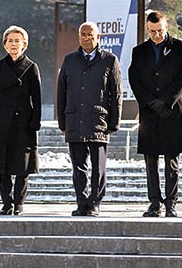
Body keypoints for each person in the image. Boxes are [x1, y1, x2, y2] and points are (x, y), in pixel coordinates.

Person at [56, 21, 121, 217]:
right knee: (79, 167)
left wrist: (114, 122)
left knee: (98, 167)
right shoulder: (69, 61)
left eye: (90, 35)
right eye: (83, 34)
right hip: (75, 120)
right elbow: (61, 93)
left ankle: (95, 203)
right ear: (79, 37)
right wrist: (62, 122)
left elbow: (116, 93)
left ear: (98, 37)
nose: (86, 38)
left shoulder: (109, 60)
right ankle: (82, 202)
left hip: (98, 121)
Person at [129, 11, 182, 218]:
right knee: (151, 161)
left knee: (172, 162)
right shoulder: (139, 52)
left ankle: (171, 203)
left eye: (160, 31)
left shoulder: (181, 48)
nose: (156, 35)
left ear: (166, 27)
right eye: (152, 31)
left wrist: (165, 101)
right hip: (149, 113)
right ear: (147, 29)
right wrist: (149, 102)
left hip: (171, 111)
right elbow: (134, 79)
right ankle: (154, 203)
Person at [0, 25, 42, 215]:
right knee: (3, 165)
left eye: (17, 41)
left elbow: (37, 98)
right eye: (10, 41)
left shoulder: (31, 67)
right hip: (2, 122)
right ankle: (6, 203)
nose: (14, 44)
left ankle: (19, 203)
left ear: (24, 44)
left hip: (23, 122)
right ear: (5, 44)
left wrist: (35, 121)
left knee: (23, 166)